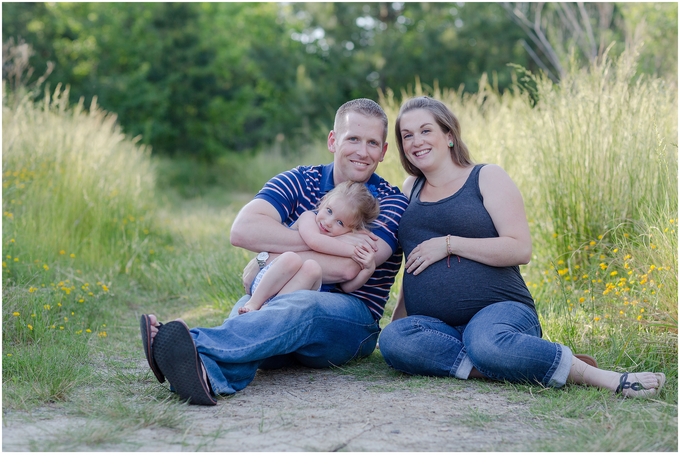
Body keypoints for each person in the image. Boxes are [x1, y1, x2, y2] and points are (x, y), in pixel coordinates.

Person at [377, 96, 666, 399]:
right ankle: (513, 364)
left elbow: (520, 249)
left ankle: (596, 376)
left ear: (449, 135)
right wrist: (401, 317)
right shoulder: (411, 187)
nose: (415, 141)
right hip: (438, 325)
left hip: (500, 311)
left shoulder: (486, 177)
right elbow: (415, 260)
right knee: (395, 340)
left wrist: (450, 245)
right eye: (406, 135)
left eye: (425, 131)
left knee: (486, 341)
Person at [140, 98, 409, 405]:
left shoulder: (389, 202)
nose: (362, 152)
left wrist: (272, 255)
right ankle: (204, 375)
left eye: (372, 143)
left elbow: (349, 268)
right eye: (353, 139)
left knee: (302, 304)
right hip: (282, 309)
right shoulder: (300, 180)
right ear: (333, 141)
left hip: (350, 321)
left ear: (384, 151)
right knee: (249, 305)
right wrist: (271, 257)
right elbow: (243, 230)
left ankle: (191, 345)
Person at [238, 180, 380, 314]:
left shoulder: (338, 242)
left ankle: (269, 310)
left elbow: (346, 287)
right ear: (323, 202)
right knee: (291, 258)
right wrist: (353, 251)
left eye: (340, 223)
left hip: (293, 294)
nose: (328, 222)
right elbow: (314, 241)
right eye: (329, 211)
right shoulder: (308, 218)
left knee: (312, 268)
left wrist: (368, 269)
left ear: (352, 230)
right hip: (268, 281)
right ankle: (253, 304)